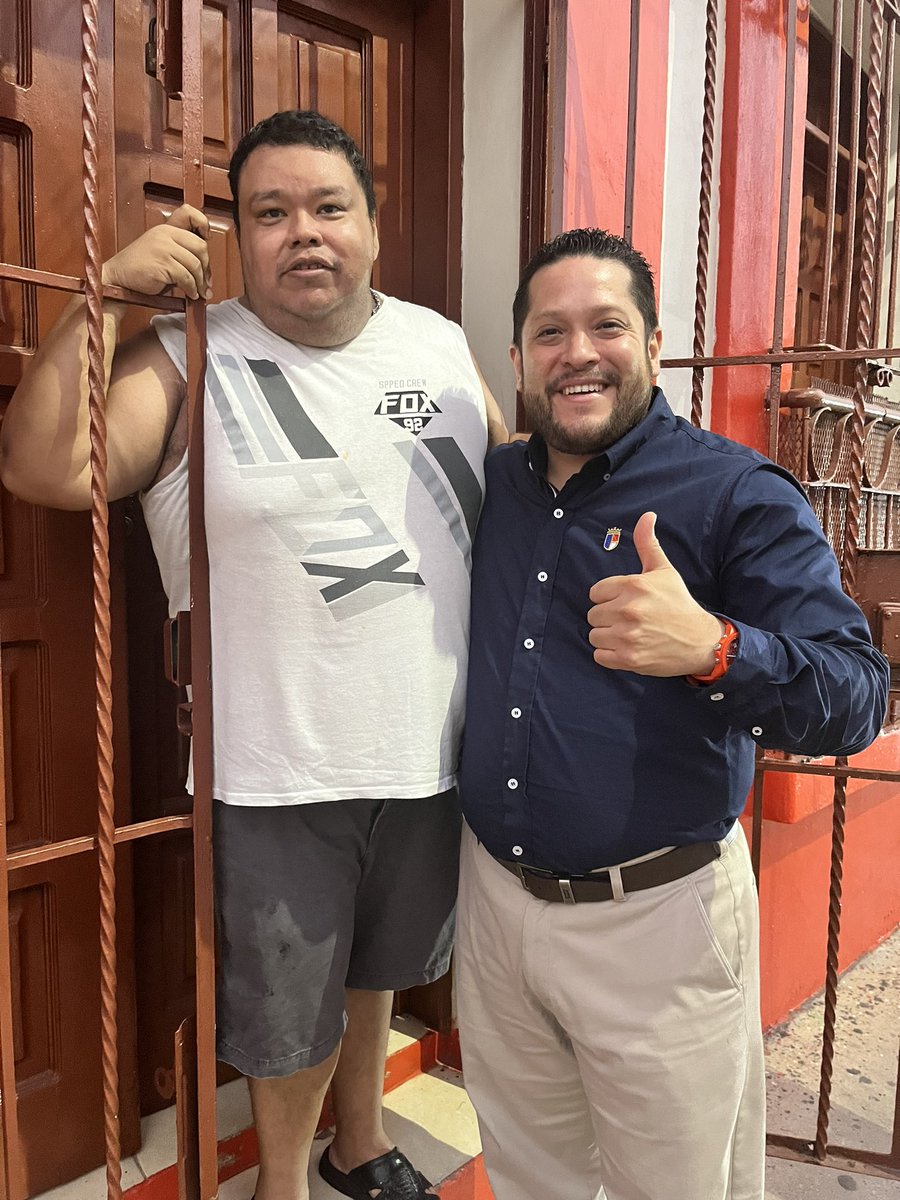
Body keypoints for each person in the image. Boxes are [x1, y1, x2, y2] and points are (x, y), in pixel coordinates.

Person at [0, 110, 507, 1200]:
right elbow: (43, 466)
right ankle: (281, 1185)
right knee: (286, 1014)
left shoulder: (437, 343)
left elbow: (511, 483)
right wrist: (102, 297)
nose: (303, 233)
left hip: (432, 750)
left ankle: (359, 1144)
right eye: (270, 213)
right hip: (277, 768)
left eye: (329, 207)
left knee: (380, 970)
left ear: (372, 224)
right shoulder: (191, 354)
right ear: (242, 238)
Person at [454, 227, 889, 1200]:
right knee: (529, 1176)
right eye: (550, 330)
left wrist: (716, 650)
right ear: (518, 357)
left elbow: (858, 695)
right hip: (494, 907)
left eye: (607, 325)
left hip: (656, 921)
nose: (578, 352)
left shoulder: (734, 493)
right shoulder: (500, 488)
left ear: (653, 345)